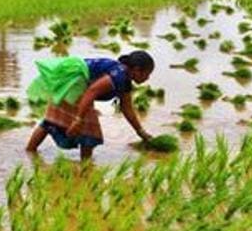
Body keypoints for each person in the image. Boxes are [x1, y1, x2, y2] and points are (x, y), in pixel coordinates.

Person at [26, 51, 155, 159]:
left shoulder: (125, 81)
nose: (148, 78)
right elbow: (91, 92)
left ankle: (29, 153)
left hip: (75, 85)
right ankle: (85, 169)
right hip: (75, 86)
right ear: (137, 70)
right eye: (147, 74)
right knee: (89, 131)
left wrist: (141, 132)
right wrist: (78, 119)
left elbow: (127, 109)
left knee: (52, 121)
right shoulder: (118, 75)